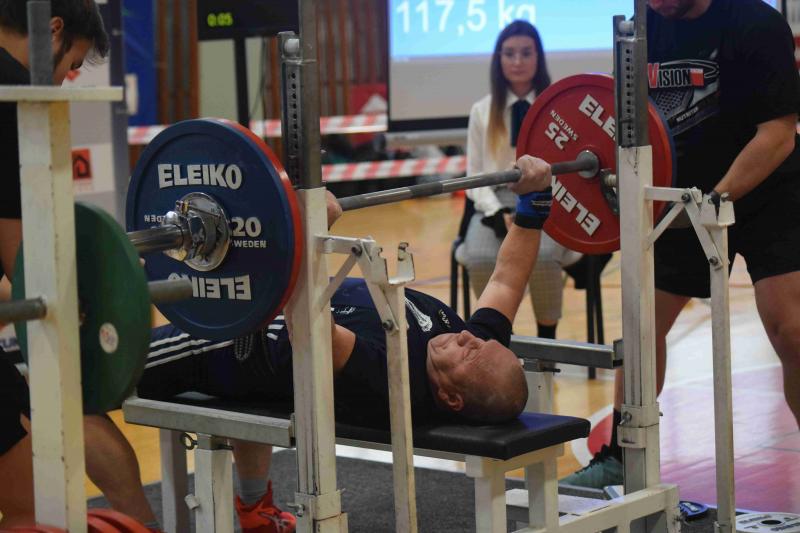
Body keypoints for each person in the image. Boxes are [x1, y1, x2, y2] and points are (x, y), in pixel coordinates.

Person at [87, 155, 552, 533]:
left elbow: (309, 322)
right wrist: (534, 202)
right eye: (481, 341)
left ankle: (138, 526)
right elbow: (506, 280)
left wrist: (309, 234)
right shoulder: (475, 347)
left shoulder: (392, 379)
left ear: (450, 397)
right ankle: (255, 511)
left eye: (470, 354)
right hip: (259, 313)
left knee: (78, 391)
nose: (469, 336)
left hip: (228, 341)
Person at [562, 0, 800, 489]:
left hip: (768, 189)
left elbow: (778, 135)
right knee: (641, 325)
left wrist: (714, 200)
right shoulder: (642, 30)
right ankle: (621, 456)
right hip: (681, 194)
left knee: (792, 329)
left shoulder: (756, 23)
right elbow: (623, 126)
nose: (656, 3)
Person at [0, 2, 163, 531]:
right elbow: (30, 271)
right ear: (53, 31)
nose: (65, 81)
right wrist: (109, 283)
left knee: (55, 407)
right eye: (72, 65)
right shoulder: (15, 97)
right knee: (31, 507)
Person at [457, 19, 581, 340]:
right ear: (498, 59)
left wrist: (534, 204)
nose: (517, 61)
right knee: (480, 257)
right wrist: (498, 213)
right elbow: (476, 175)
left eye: (526, 53)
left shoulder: (556, 108)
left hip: (546, 197)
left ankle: (547, 340)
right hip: (494, 201)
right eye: (509, 53)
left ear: (538, 57)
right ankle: (493, 339)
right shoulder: (482, 111)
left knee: (543, 256)